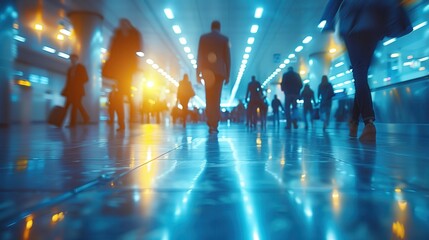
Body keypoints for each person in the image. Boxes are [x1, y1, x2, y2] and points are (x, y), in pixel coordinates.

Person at [320, 0, 412, 141]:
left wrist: (328, 20)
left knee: (359, 74)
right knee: (361, 74)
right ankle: (354, 122)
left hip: (353, 24)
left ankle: (368, 123)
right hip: (375, 23)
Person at [105, 18, 142, 131]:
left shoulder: (134, 35)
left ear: (129, 25)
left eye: (125, 24)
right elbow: (111, 52)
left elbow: (138, 49)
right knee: (120, 95)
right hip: (118, 69)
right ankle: (122, 122)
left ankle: (131, 117)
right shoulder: (116, 36)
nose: (123, 26)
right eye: (121, 24)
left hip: (128, 69)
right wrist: (108, 67)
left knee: (125, 94)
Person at [196, 20, 231, 134]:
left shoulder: (203, 38)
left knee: (209, 98)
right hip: (220, 72)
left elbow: (200, 56)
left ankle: (210, 122)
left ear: (211, 27)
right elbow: (227, 59)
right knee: (217, 99)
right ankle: (214, 124)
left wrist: (198, 73)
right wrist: (227, 75)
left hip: (207, 72)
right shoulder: (224, 39)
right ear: (219, 28)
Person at [61, 54, 90, 128]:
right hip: (70, 91)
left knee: (75, 106)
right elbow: (68, 81)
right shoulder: (70, 69)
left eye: (73, 58)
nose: (72, 60)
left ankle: (72, 123)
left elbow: (86, 78)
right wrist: (65, 90)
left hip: (78, 91)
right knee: (67, 106)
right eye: (71, 59)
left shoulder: (81, 67)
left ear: (77, 59)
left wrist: (78, 83)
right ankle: (60, 122)